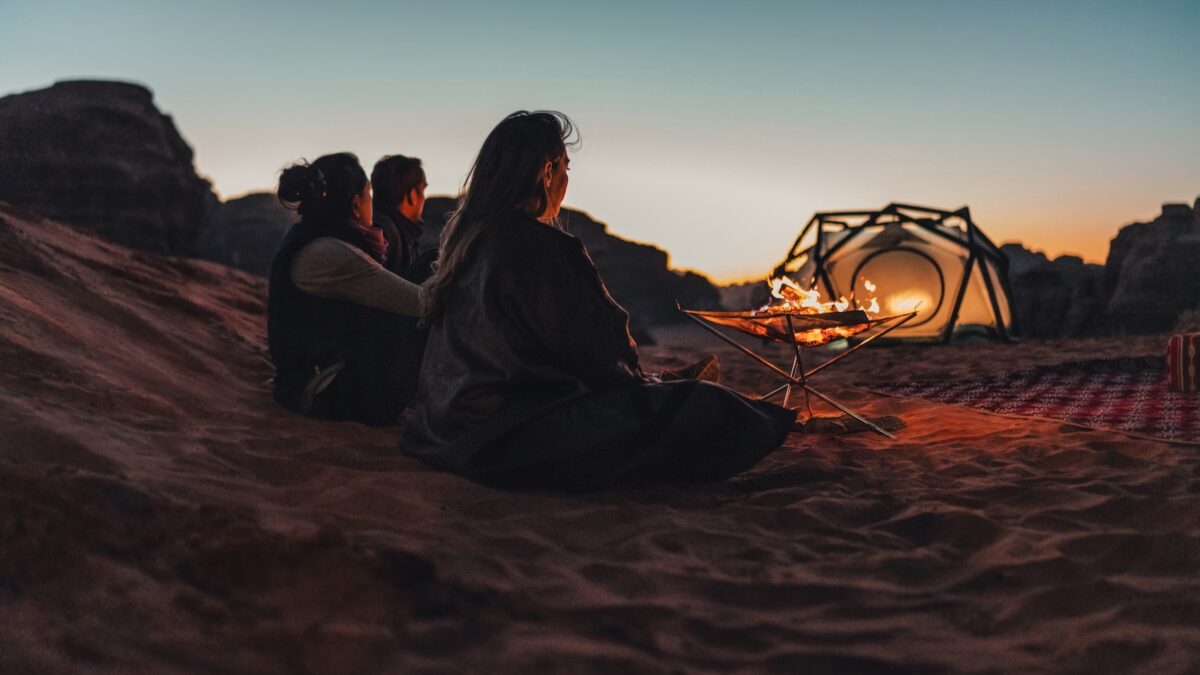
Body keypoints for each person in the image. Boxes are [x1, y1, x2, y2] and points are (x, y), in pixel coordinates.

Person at [400, 111, 796, 490]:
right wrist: (640, 382)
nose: (566, 180)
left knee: (670, 395)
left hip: (448, 429)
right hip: (509, 437)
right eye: (566, 168)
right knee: (706, 405)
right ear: (546, 171)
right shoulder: (539, 245)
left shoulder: (467, 242)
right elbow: (598, 352)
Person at [268, 152, 427, 426]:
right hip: (325, 392)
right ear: (356, 203)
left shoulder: (319, 239)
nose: (372, 205)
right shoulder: (332, 253)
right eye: (368, 194)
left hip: (324, 381)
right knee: (428, 293)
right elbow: (422, 303)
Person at [371, 154, 436, 282]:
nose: (423, 198)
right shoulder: (384, 232)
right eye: (422, 191)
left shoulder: (383, 228)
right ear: (412, 195)